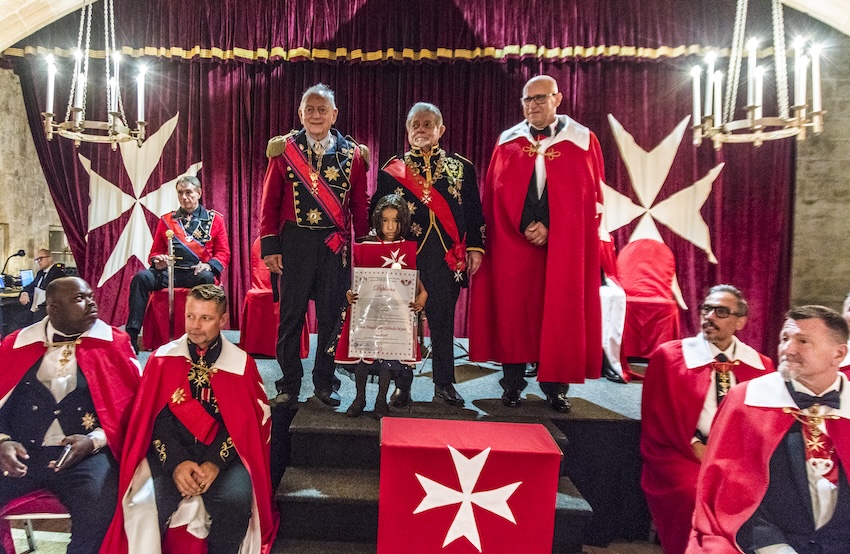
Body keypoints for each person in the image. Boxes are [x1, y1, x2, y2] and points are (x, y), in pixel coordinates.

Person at [104, 285, 278, 553]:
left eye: (205, 318)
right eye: (190, 316)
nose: (195, 326)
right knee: (146, 504)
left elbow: (244, 426)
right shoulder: (162, 359)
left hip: (222, 457)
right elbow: (155, 420)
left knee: (234, 502)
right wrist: (177, 463)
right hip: (170, 454)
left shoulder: (241, 364)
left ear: (223, 320)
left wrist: (214, 463)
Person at [469, 74, 605, 413]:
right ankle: (512, 384)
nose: (533, 105)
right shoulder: (508, 141)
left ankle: (555, 388)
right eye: (527, 100)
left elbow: (587, 195)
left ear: (557, 99)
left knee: (559, 311)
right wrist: (526, 224)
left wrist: (552, 227)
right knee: (514, 312)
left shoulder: (582, 140)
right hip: (514, 242)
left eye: (540, 98)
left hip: (564, 244)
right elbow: (496, 194)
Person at [689, 305, 850, 553]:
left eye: (803, 341)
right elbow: (729, 495)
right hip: (765, 543)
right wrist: (774, 547)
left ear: (838, 354)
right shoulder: (747, 400)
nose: (788, 349)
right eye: (784, 338)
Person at [0, 277, 139, 554]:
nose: (91, 303)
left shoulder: (113, 344)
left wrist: (94, 441)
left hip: (85, 456)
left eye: (90, 296)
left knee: (100, 508)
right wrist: (3, 441)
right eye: (79, 299)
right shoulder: (17, 344)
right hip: (23, 452)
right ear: (53, 308)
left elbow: (131, 408)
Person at [641, 285, 774, 554]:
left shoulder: (761, 367)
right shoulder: (670, 357)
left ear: (740, 322)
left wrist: (737, 460)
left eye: (721, 312)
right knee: (696, 494)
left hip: (739, 458)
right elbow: (658, 420)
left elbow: (765, 426)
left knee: (765, 498)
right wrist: (699, 449)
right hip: (682, 452)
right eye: (707, 309)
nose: (710, 316)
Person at [260, 83, 369, 409]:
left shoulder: (353, 155)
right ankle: (288, 384)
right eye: (310, 109)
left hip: (334, 246)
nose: (316, 115)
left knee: (332, 317)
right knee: (291, 317)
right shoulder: (284, 151)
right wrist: (270, 246)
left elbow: (359, 205)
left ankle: (325, 382)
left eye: (322, 110)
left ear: (334, 114)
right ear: (300, 114)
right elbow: (269, 203)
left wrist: (365, 247)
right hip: (294, 244)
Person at [373, 102, 484, 407]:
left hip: (446, 257)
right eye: (415, 125)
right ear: (407, 130)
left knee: (443, 320)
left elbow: (474, 212)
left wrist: (475, 248)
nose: (421, 130)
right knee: (403, 321)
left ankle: (444, 383)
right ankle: (402, 384)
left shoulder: (461, 167)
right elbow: (377, 212)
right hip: (405, 256)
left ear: (440, 130)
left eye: (427, 124)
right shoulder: (392, 170)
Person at [334, 194, 428, 417]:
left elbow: (417, 283)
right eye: (385, 220)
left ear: (403, 221)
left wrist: (423, 295)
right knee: (362, 358)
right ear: (378, 220)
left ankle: (380, 401)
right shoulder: (367, 245)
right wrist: (349, 294)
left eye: (395, 221)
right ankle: (359, 398)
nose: (390, 226)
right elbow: (356, 282)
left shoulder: (406, 248)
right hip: (367, 314)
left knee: (387, 359)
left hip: (394, 316)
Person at [125, 175, 231, 351]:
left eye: (188, 192)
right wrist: (157, 260)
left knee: (207, 278)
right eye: (180, 193)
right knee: (140, 278)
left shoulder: (215, 220)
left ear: (199, 193)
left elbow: (223, 253)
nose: (184, 197)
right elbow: (155, 251)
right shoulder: (167, 220)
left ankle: (205, 337)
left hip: (197, 273)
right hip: (169, 272)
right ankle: (132, 336)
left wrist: (209, 265)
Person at [18, 248, 65, 323]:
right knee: (15, 318)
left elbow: (56, 295)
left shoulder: (58, 273)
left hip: (46, 310)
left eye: (41, 258)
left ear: (50, 258)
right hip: (35, 308)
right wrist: (24, 292)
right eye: (37, 260)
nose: (38, 262)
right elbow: (31, 286)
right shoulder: (40, 273)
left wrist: (40, 307)